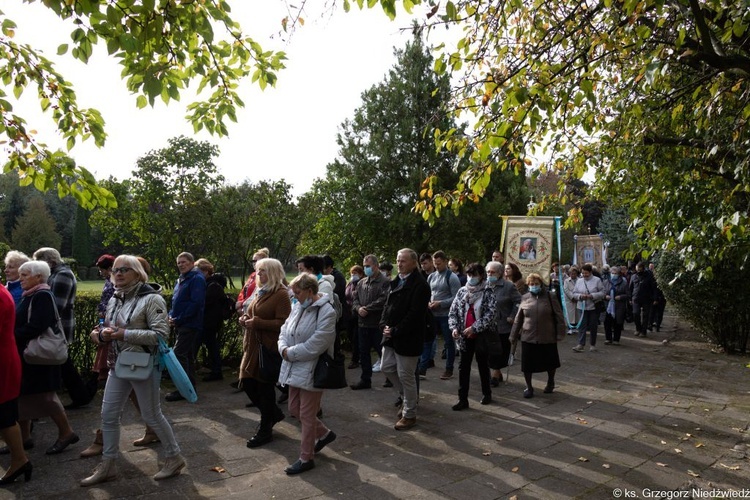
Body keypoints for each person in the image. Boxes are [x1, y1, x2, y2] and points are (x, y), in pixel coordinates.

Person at [80, 255, 185, 486]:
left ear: (138, 273)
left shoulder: (152, 299)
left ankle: (174, 457)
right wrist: (100, 334)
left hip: (144, 363)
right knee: (108, 415)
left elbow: (160, 336)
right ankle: (108, 465)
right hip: (117, 363)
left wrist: (122, 334)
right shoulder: (116, 297)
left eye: (124, 270)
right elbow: (106, 325)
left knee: (151, 414)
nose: (117, 273)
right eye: (115, 270)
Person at [13, 261, 79, 456]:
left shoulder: (41, 295)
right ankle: (23, 438)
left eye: (25, 275)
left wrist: (11, 334)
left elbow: (37, 325)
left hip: (38, 357)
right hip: (30, 356)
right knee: (23, 395)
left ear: (39, 277)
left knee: (46, 397)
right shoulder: (32, 294)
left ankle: (66, 432)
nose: (21, 278)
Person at [278, 274, 337, 475]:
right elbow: (284, 330)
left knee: (306, 414)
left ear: (310, 291)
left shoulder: (326, 311)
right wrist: (283, 348)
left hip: (313, 369)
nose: (294, 295)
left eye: (298, 291)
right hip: (295, 365)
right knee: (294, 407)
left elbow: (318, 344)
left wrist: (290, 353)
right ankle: (325, 434)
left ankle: (306, 457)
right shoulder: (297, 306)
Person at [238, 258, 291, 448]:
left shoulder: (281, 294)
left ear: (273, 272)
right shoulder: (261, 291)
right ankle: (273, 415)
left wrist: (258, 322)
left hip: (266, 348)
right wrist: (245, 318)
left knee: (263, 387)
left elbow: (284, 323)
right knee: (247, 382)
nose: (258, 274)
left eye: (262, 271)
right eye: (258, 271)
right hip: (252, 346)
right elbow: (252, 312)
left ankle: (265, 427)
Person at [33, 247, 92, 409]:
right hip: (59, 326)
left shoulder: (62, 275)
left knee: (62, 364)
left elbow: (57, 305)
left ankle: (78, 396)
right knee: (63, 364)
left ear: (49, 262)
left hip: (60, 327)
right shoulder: (58, 274)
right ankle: (80, 396)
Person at [380, 249, 430, 430]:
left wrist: (395, 330)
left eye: (403, 261)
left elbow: (415, 315)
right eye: (398, 260)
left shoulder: (421, 285)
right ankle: (407, 398)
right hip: (391, 335)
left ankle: (409, 414)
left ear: (414, 262)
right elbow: (388, 306)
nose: (399, 264)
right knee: (386, 367)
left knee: (406, 375)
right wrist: (383, 324)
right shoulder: (396, 281)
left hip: (408, 338)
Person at [449, 263, 498, 410]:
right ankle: (462, 399)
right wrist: (454, 327)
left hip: (481, 335)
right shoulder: (462, 291)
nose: (471, 278)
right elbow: (453, 311)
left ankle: (486, 393)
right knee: (463, 367)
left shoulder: (488, 292)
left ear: (481, 276)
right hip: (464, 335)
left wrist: (475, 328)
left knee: (483, 365)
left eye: (474, 275)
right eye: (469, 275)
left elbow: (491, 314)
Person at [510, 273, 565, 398]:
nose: (533, 286)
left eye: (536, 284)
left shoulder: (550, 296)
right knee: (527, 365)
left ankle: (550, 381)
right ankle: (529, 387)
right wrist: (513, 335)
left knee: (550, 362)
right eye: (531, 284)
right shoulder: (525, 297)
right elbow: (518, 319)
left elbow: (559, 315)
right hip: (528, 336)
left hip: (547, 336)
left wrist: (560, 333)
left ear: (541, 284)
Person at [0, 286, 31, 485]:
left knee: (4, 415)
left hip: (2, 363)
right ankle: (20, 460)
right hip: (5, 358)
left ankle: (20, 460)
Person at [167, 252, 206, 401]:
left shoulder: (196, 279)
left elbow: (196, 303)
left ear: (192, 263)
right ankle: (189, 388)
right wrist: (171, 315)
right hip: (181, 322)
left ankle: (183, 389)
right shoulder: (182, 279)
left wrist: (178, 319)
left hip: (190, 323)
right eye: (179, 263)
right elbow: (176, 300)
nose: (181, 265)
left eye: (184, 262)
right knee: (187, 356)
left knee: (178, 355)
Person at [350, 254, 390, 390]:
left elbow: (384, 299)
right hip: (362, 324)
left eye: (368, 266)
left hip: (377, 323)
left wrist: (367, 308)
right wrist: (358, 308)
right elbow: (355, 299)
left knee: (382, 352)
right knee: (364, 352)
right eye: (364, 266)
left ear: (376, 265)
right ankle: (365, 379)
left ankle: (390, 376)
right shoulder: (362, 282)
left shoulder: (385, 281)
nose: (366, 268)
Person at [485, 261, 522, 386]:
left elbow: (518, 302)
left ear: (500, 273)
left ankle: (495, 375)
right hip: (487, 325)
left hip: (503, 325)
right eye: (488, 272)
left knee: (500, 351)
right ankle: (497, 372)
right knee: (490, 351)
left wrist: (512, 316)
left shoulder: (508, 286)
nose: (490, 274)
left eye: (492, 272)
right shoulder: (485, 285)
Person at [428, 250, 461, 380]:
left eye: (439, 263)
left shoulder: (452, 277)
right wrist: (429, 302)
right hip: (433, 314)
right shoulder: (431, 276)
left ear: (445, 261)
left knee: (448, 343)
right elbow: (429, 293)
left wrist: (440, 303)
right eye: (435, 263)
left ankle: (449, 369)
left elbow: (457, 297)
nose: (437, 266)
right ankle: (425, 364)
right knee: (428, 341)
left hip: (446, 315)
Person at [193, 258, 226, 382]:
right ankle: (216, 370)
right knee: (211, 346)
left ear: (206, 271)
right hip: (209, 322)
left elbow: (204, 303)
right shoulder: (212, 285)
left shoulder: (212, 286)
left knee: (200, 346)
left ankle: (216, 371)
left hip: (208, 322)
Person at [571, 263, 606, 352]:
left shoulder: (597, 280)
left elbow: (603, 292)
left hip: (593, 307)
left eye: (586, 273)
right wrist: (580, 296)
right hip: (581, 307)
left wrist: (592, 296)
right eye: (583, 273)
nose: (584, 275)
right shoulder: (579, 281)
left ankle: (592, 344)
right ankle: (580, 344)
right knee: (582, 326)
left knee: (593, 326)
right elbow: (574, 293)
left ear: (590, 272)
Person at [92, 254, 116, 384]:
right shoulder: (108, 281)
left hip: (109, 318)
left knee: (107, 345)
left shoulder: (114, 281)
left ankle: (105, 373)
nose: (101, 273)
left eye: (102, 270)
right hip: (104, 318)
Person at [603, 266, 630, 345]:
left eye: (615, 273)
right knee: (607, 322)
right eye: (612, 273)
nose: (614, 275)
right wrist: (605, 296)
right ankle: (608, 338)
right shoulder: (605, 282)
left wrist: (621, 297)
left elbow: (628, 294)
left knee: (617, 323)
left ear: (619, 274)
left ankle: (616, 339)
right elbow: (601, 292)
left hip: (619, 306)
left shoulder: (624, 282)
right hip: (608, 305)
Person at [629, 262, 657, 337]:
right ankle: (638, 328)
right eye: (637, 269)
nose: (638, 270)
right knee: (635, 314)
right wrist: (630, 298)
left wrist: (655, 298)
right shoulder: (633, 276)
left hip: (646, 298)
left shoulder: (649, 276)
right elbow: (630, 288)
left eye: (639, 269)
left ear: (643, 268)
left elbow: (654, 288)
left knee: (645, 315)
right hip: (636, 298)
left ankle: (643, 331)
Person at [345, 265, 364, 369]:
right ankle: (358, 355)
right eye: (352, 273)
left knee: (356, 338)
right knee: (350, 336)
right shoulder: (349, 284)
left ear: (361, 274)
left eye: (355, 273)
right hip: (349, 315)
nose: (353, 275)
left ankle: (355, 359)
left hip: (357, 315)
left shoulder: (362, 284)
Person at [563, 266, 580, 335]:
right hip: (569, 300)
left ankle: (575, 328)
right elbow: (566, 290)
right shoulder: (566, 281)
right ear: (569, 274)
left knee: (577, 314)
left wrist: (577, 297)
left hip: (578, 299)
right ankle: (570, 328)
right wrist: (572, 297)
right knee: (570, 315)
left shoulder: (580, 280)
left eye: (574, 274)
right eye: (571, 274)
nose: (573, 275)